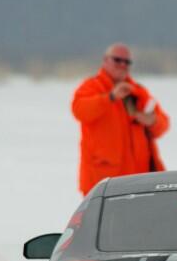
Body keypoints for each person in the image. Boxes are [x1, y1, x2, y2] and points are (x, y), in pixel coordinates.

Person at [71, 43, 170, 195]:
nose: (122, 65)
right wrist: (110, 97)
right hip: (104, 185)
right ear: (105, 61)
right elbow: (79, 110)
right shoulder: (92, 86)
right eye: (117, 60)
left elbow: (163, 124)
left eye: (127, 62)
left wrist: (152, 121)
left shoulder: (138, 91)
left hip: (141, 182)